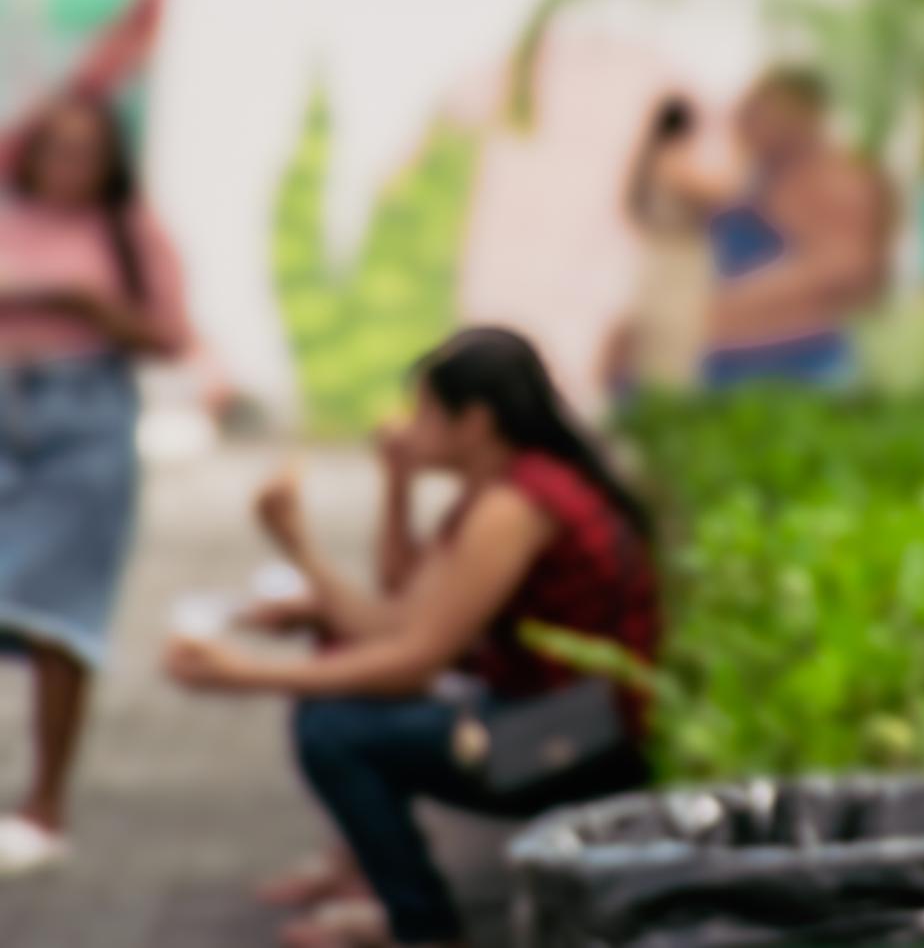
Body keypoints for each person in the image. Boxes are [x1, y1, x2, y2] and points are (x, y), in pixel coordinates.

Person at [167, 327, 660, 948]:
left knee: (333, 728)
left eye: (425, 410)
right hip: (551, 717)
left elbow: (415, 657)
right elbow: (398, 611)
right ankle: (382, 893)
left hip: (574, 742)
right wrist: (373, 498)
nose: (405, 425)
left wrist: (241, 675)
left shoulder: (516, 505)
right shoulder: (499, 488)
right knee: (338, 659)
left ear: (474, 421)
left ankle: (422, 928)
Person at [0, 91, 191, 876]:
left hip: (86, 416)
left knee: (57, 612)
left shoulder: (130, 230)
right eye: (57, 148)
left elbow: (171, 334)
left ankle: (46, 797)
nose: (68, 166)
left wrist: (92, 306)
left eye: (86, 151)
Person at [700, 64, 890, 386]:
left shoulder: (836, 182)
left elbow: (842, 268)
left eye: (757, 110)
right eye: (746, 109)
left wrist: (714, 311)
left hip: (796, 364)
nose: (741, 119)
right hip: (728, 357)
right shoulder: (763, 177)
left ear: (801, 117)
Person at [611, 94, 721, 400]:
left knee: (655, 348)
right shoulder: (674, 160)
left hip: (656, 260)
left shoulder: (647, 160)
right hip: (678, 262)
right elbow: (716, 193)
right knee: (676, 348)